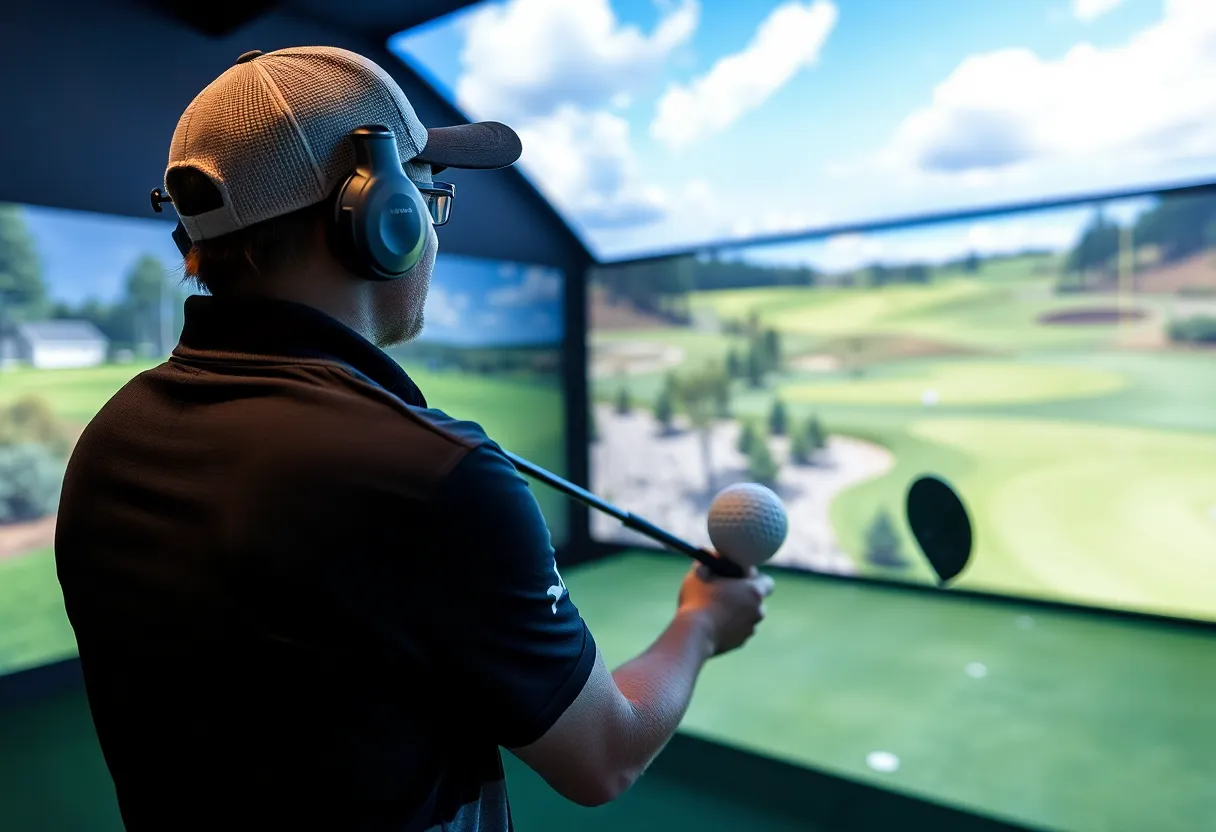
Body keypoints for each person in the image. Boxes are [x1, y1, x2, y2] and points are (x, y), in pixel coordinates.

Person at [54, 46, 774, 832]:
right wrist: (702, 620)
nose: (433, 233)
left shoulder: (112, 441)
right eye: (431, 201)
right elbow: (604, 752)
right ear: (383, 217)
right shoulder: (436, 476)